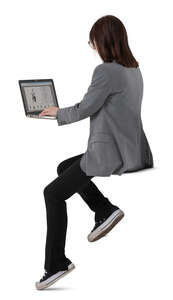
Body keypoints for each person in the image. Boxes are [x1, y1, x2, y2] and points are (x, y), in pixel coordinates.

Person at [35, 15, 154, 290]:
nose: (93, 47)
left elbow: (86, 108)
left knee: (52, 194)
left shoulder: (106, 71)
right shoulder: (133, 69)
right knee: (65, 167)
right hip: (133, 150)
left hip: (110, 152)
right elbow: (100, 104)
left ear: (104, 41)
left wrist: (57, 113)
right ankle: (104, 208)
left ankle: (55, 264)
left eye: (93, 41)